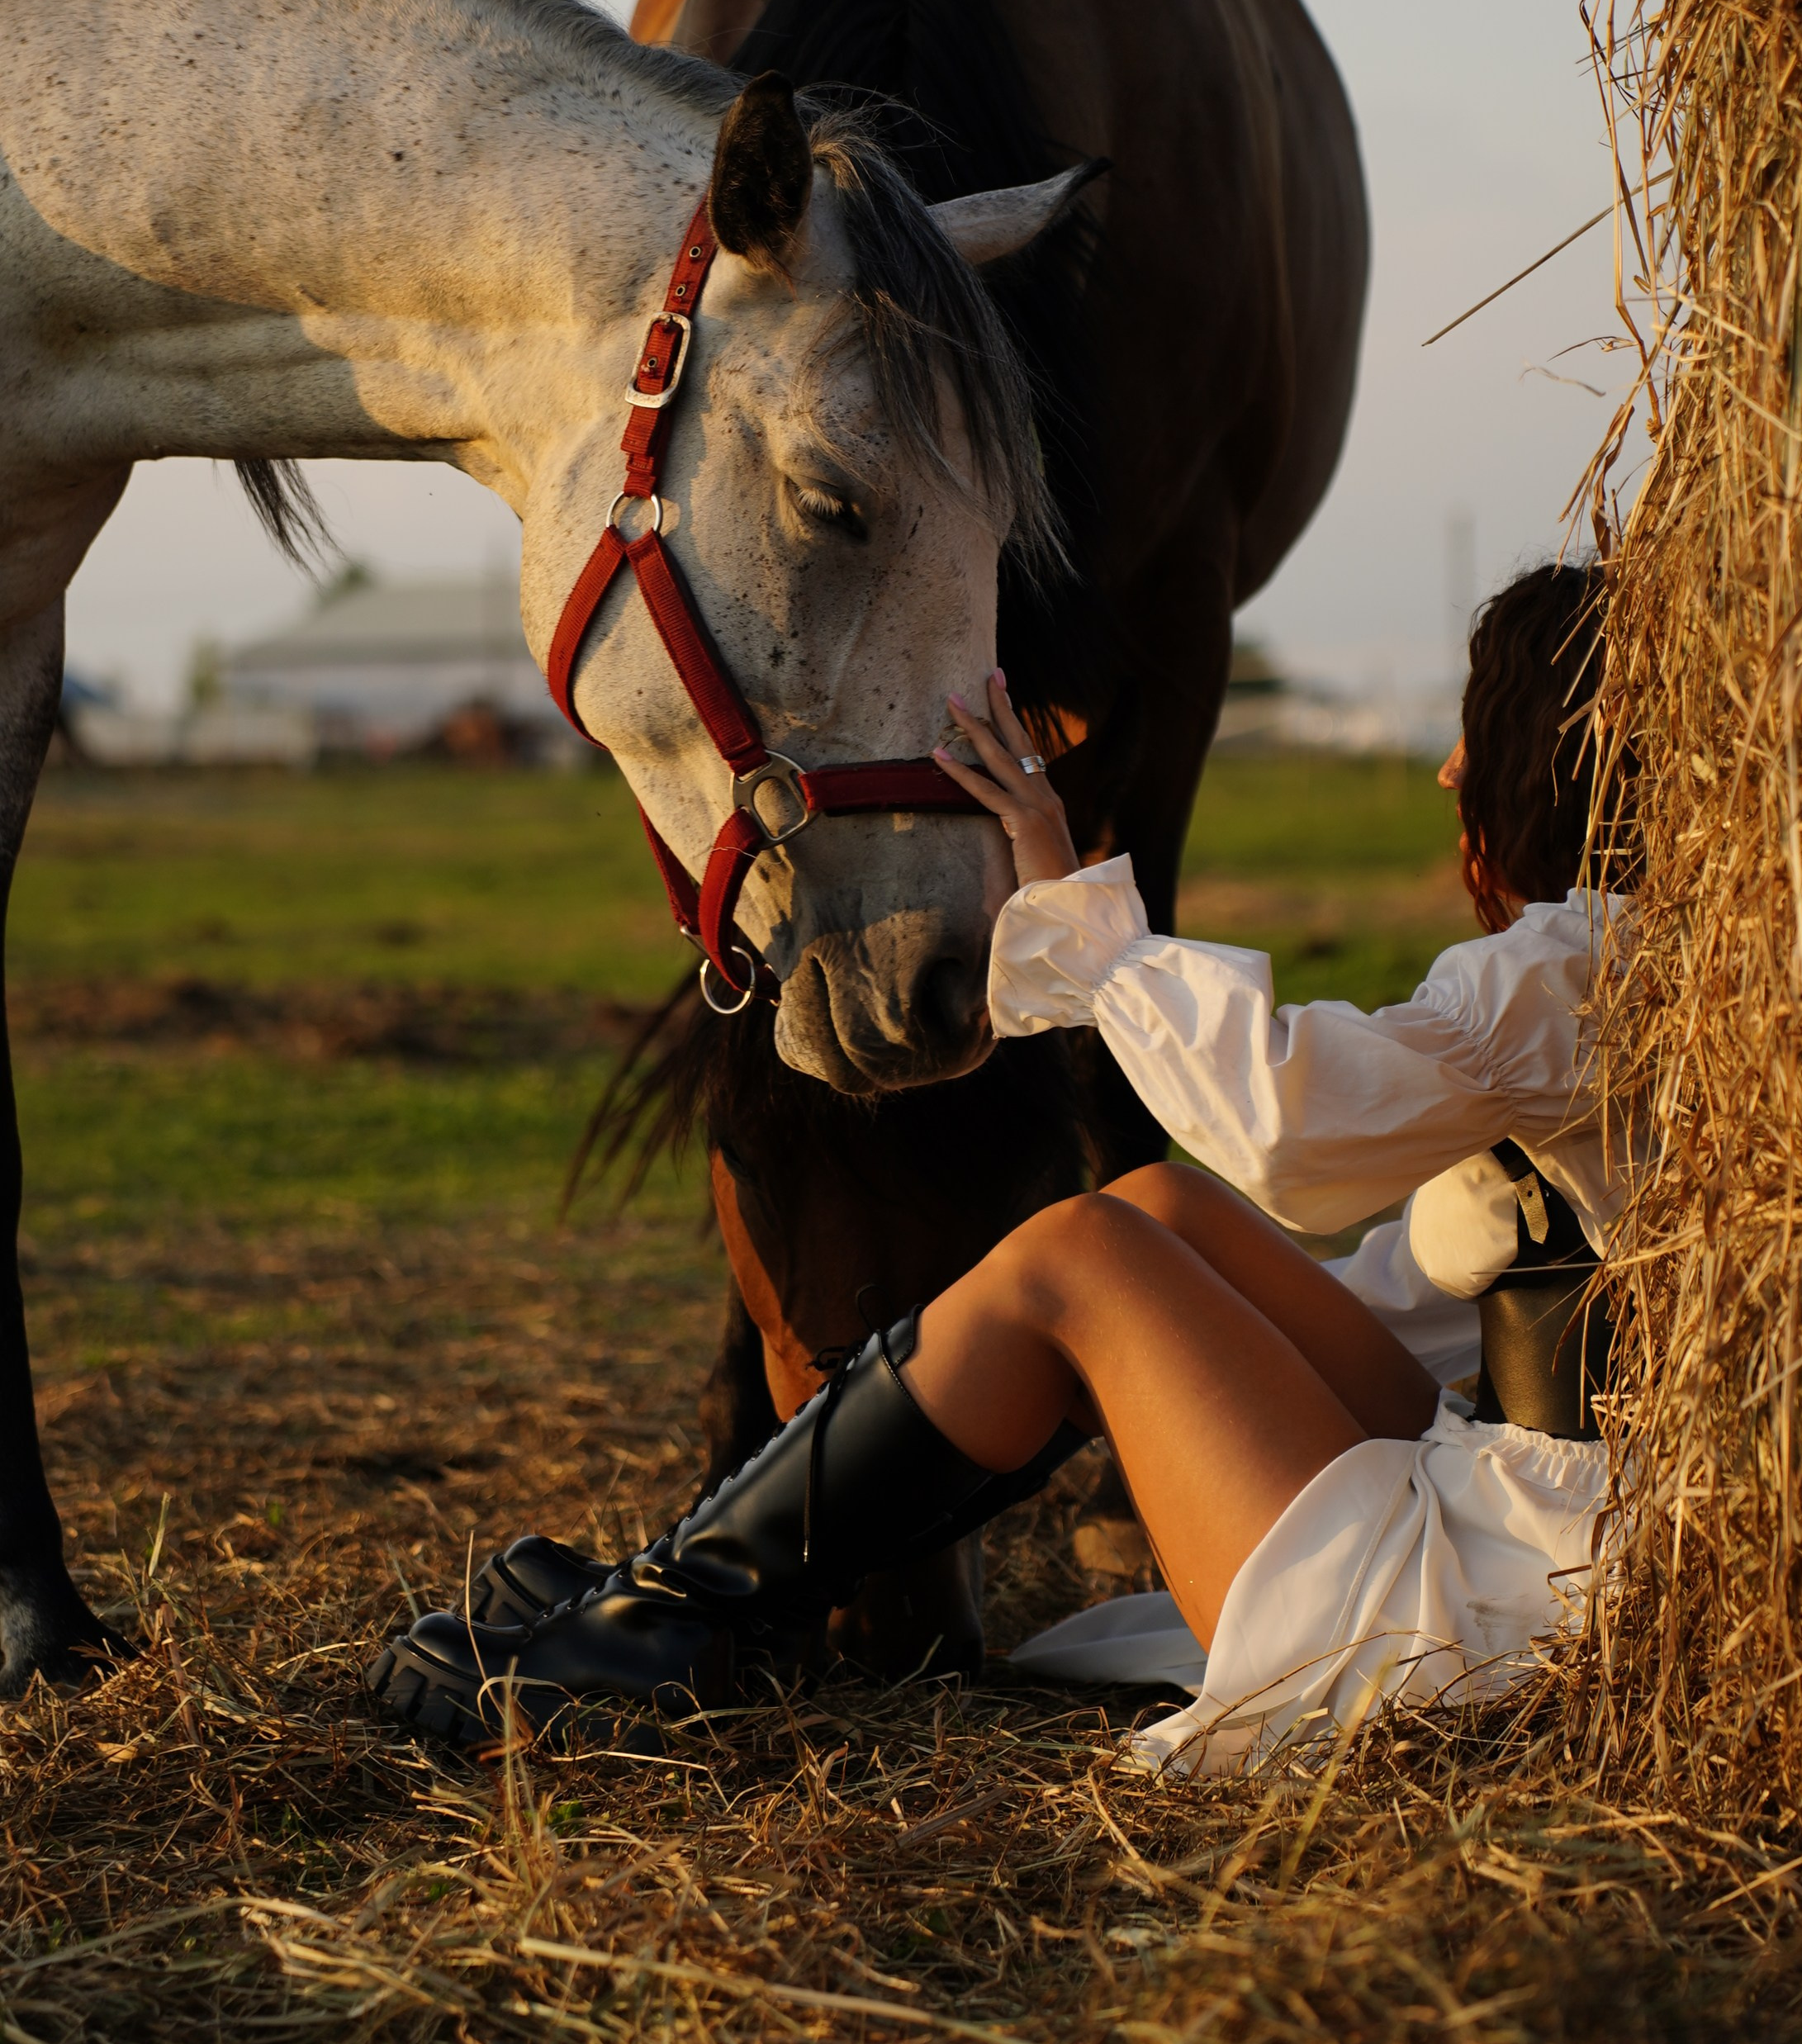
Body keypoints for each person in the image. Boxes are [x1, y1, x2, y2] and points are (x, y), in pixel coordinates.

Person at [371, 562, 1629, 1770]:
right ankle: (688, 1592)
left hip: (1521, 1588)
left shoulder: (1563, 976)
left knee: (1079, 1257)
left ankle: (662, 1621)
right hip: (1550, 1507)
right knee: (1154, 1211)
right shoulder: (1683, 966)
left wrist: (1084, 915)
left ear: (1550, 759)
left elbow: (1288, 1132)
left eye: (1483, 729)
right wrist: (1168, 1351)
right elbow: (1399, 1306)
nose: (1455, 768)